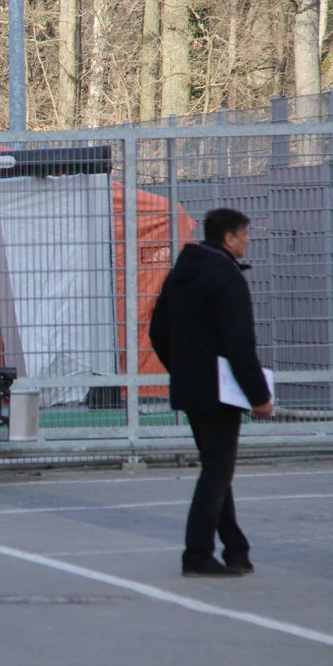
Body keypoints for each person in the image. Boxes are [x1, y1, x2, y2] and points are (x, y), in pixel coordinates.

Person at [150, 208, 273, 577]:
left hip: (191, 387)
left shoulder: (181, 273)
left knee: (216, 468)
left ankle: (236, 549)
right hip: (221, 392)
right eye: (245, 235)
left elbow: (158, 330)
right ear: (229, 238)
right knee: (217, 473)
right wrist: (258, 395)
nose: (247, 241)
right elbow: (240, 345)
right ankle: (197, 554)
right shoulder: (228, 278)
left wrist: (185, 369)